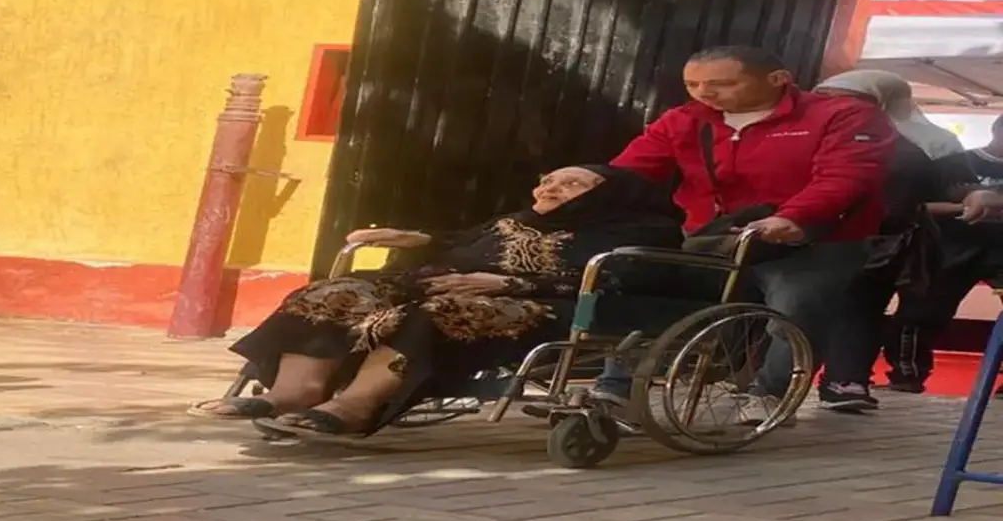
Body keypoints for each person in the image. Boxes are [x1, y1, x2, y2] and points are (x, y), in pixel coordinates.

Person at [189, 165, 685, 437]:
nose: (550, 188)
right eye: (547, 180)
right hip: (444, 281)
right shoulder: (516, 219)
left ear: (611, 195)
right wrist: (414, 238)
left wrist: (510, 285)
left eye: (571, 184)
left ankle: (356, 406)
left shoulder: (642, 231)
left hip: (543, 303)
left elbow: (629, 277)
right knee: (332, 291)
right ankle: (293, 392)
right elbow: (460, 241)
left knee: (434, 314)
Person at [591, 45, 895, 423]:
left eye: (721, 84)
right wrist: (588, 181)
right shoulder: (685, 119)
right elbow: (632, 169)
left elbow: (847, 175)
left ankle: (771, 393)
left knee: (795, 310)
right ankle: (615, 387)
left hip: (812, 238)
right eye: (693, 84)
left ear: (778, 79)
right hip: (713, 235)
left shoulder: (842, 115)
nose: (704, 93)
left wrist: (794, 216)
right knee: (654, 293)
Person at [808, 71, 975, 411]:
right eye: (824, 95)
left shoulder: (931, 141)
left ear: (882, 99)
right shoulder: (811, 129)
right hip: (812, 231)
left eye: (846, 96)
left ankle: (845, 380)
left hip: (887, 240)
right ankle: (772, 381)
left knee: (862, 305)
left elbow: (956, 186)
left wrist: (974, 196)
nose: (831, 103)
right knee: (803, 303)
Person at [885, 114, 1003, 393]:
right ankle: (907, 375)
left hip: (999, 251)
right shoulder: (956, 163)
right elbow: (917, 205)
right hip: (949, 249)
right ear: (997, 130)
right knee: (919, 313)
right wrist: (967, 207)